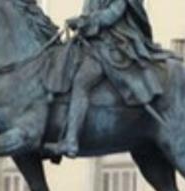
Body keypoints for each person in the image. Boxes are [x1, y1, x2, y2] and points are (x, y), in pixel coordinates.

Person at [49, 0, 169, 158]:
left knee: (81, 82)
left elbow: (112, 15)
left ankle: (71, 140)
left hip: (113, 44)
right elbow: (88, 14)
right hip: (90, 43)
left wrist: (85, 22)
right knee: (60, 66)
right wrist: (79, 22)